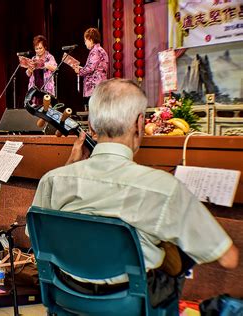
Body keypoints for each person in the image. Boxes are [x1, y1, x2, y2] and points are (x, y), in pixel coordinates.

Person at [31, 79, 238, 307]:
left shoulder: (53, 180)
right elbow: (228, 259)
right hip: (132, 304)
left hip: (66, 297)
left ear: (90, 126)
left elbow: (35, 236)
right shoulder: (163, 187)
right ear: (140, 124)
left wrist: (68, 167)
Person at [73, 28, 109, 109]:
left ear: (91, 40)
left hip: (95, 86)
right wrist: (82, 68)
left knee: (95, 111)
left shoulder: (95, 51)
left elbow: (90, 68)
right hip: (100, 85)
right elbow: (95, 68)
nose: (85, 43)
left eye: (85, 40)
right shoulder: (101, 50)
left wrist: (79, 70)